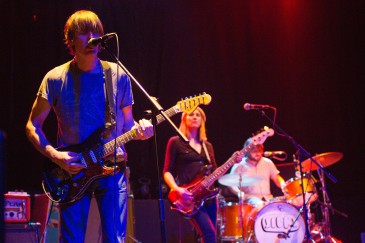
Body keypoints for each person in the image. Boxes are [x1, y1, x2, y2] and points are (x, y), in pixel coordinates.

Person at [25, 10, 153, 242]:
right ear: (71, 39)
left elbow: (128, 125)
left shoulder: (117, 74)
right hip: (72, 173)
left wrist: (142, 131)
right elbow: (32, 125)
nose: (91, 37)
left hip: (112, 169)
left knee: (115, 239)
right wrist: (55, 156)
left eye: (96, 32)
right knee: (72, 239)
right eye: (84, 33)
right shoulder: (55, 78)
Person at [163, 107, 242, 243]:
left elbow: (216, 172)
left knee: (210, 237)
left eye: (198, 115)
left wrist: (233, 161)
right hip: (189, 196)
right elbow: (166, 171)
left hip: (209, 197)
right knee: (209, 234)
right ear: (184, 119)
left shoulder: (208, 146)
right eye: (191, 114)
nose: (194, 117)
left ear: (202, 120)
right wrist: (177, 189)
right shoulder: (175, 142)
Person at [228, 139, 286, 208]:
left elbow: (276, 178)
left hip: (268, 198)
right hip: (250, 199)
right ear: (247, 151)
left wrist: (283, 185)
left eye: (259, 151)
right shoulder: (239, 165)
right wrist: (239, 193)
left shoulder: (268, 162)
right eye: (254, 151)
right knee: (260, 204)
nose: (257, 153)